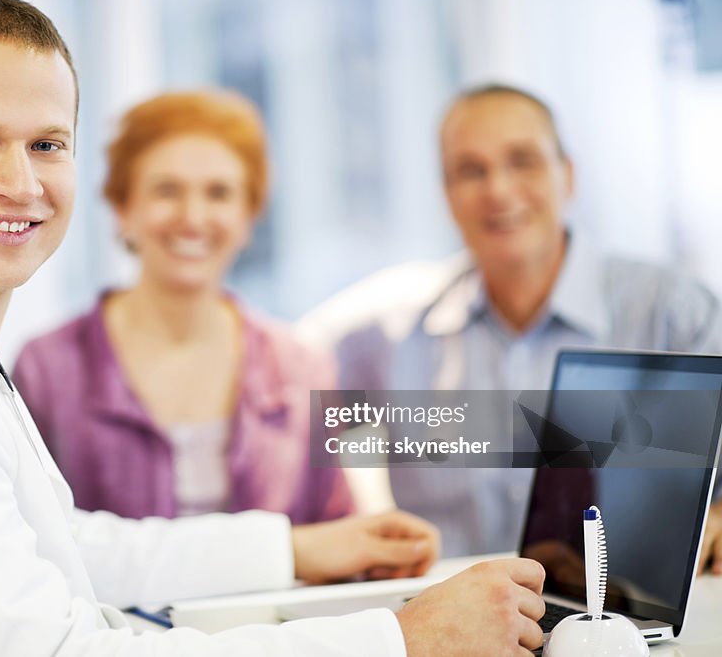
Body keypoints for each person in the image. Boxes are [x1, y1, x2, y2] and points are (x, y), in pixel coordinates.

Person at [0, 0, 546, 656]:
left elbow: (55, 545)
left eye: (46, 145)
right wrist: (402, 639)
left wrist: (291, 549)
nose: (18, 183)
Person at [299, 84, 722, 558]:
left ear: (568, 175)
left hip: (625, 623)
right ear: (447, 196)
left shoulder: (675, 314)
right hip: (451, 621)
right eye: (470, 170)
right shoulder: (386, 334)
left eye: (522, 160)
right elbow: (269, 398)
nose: (498, 190)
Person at [13, 91, 351, 524]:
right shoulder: (47, 369)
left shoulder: (308, 368)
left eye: (219, 193)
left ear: (249, 215)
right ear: (122, 209)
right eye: (167, 190)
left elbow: (341, 528)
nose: (193, 217)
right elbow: (31, 539)